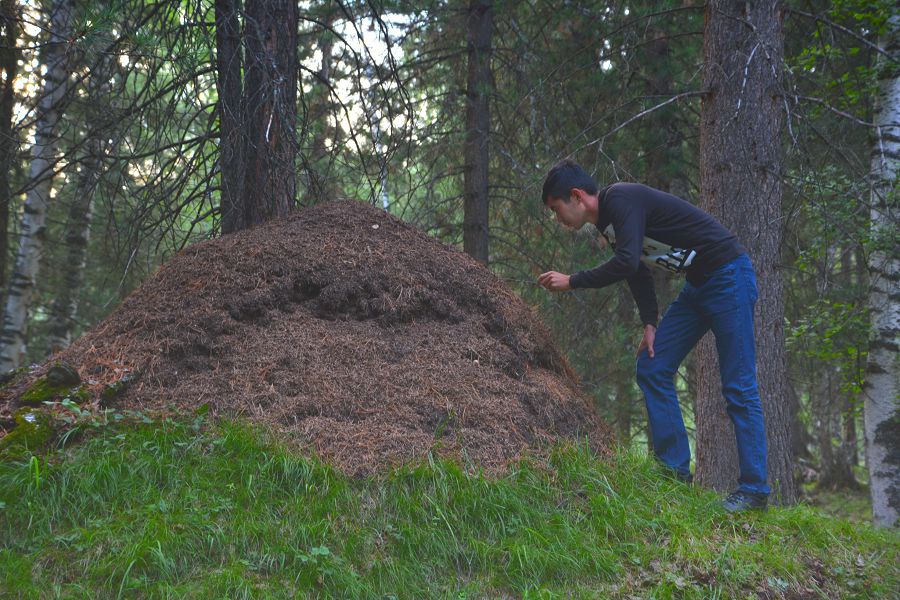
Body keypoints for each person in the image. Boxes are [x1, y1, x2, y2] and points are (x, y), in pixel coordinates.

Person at [537, 159, 769, 513]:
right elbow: (638, 272)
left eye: (557, 210)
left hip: (728, 277)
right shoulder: (609, 225)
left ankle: (754, 491)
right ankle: (675, 475)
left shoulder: (621, 200)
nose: (558, 220)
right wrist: (649, 322)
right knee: (652, 366)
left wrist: (573, 281)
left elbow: (627, 262)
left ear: (577, 196)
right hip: (699, 287)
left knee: (738, 386)